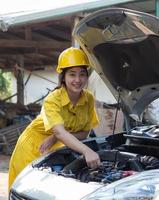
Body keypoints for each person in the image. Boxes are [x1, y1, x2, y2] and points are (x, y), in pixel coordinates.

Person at [8, 47, 101, 190]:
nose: (78, 80)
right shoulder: (53, 99)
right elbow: (59, 131)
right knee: (28, 190)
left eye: (82, 74)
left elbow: (85, 133)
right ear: (63, 77)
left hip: (57, 146)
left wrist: (56, 138)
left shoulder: (88, 98)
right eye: (72, 74)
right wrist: (86, 151)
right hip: (33, 146)